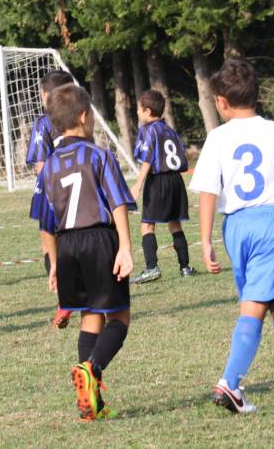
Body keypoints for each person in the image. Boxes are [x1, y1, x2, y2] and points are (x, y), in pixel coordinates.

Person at [190, 59, 274, 414]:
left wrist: (205, 242)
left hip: (235, 227)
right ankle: (229, 383)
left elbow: (208, 191)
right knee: (257, 303)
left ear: (220, 102)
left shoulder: (217, 138)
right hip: (271, 222)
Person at [38, 84, 135, 421]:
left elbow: (46, 219)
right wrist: (124, 246)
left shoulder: (48, 166)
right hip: (98, 240)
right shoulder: (98, 155)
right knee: (119, 318)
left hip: (66, 246)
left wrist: (52, 263)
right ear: (83, 116)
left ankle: (90, 403)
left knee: (89, 315)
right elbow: (118, 202)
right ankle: (91, 368)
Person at [129, 89, 196, 283]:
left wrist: (138, 184)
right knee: (175, 223)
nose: (138, 113)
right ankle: (185, 267)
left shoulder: (149, 130)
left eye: (139, 110)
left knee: (147, 225)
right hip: (176, 181)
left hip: (157, 181)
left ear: (148, 111)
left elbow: (148, 158)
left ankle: (152, 267)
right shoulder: (169, 129)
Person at [26, 69, 76, 327]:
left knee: (49, 242)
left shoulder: (43, 122)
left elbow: (40, 162)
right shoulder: (79, 117)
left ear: (46, 95)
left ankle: (63, 300)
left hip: (52, 186)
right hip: (80, 182)